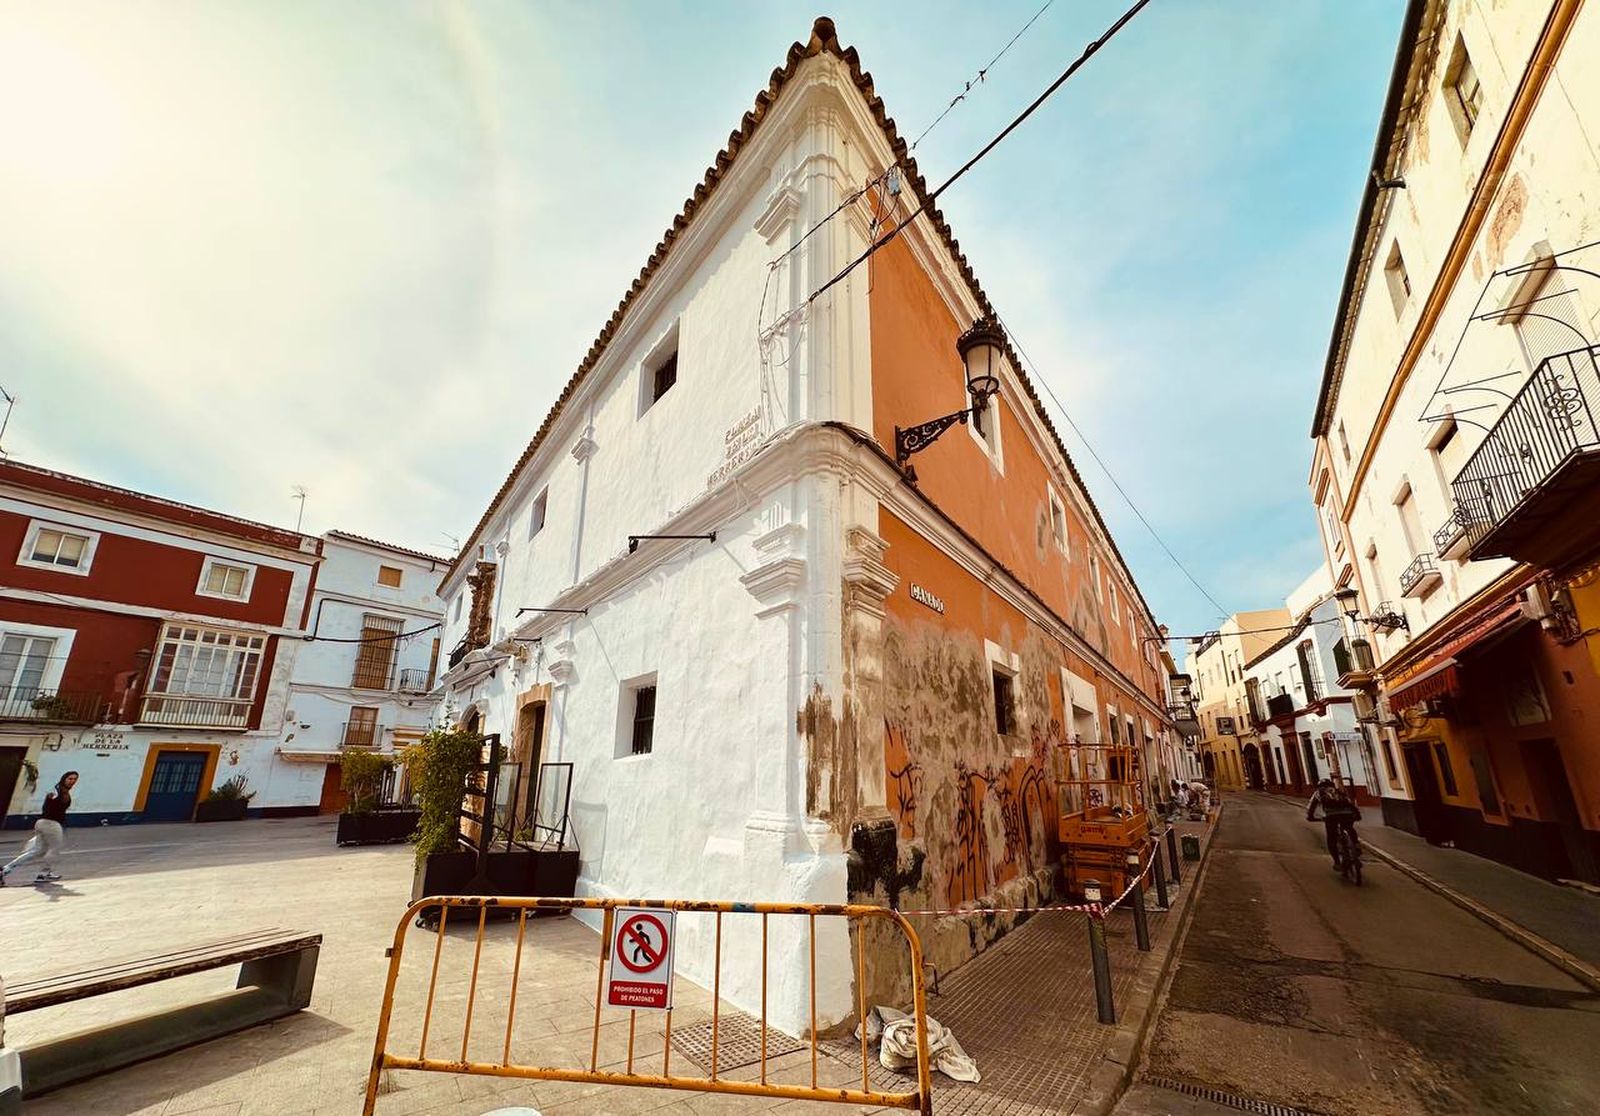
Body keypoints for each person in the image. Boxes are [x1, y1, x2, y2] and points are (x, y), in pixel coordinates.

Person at [1, 771, 78, 886]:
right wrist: (53, 796)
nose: (72, 781)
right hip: (51, 824)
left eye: (74, 779)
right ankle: (43, 873)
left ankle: (6, 869)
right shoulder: (57, 790)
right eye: (70, 778)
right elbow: (52, 796)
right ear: (64, 779)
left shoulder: (63, 790)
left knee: (36, 851)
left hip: (42, 823)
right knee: (54, 849)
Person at [1306, 777, 1361, 868]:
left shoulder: (1318, 792)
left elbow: (1311, 807)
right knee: (1349, 828)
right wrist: (1356, 815)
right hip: (1348, 813)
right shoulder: (1339, 791)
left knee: (1331, 838)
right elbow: (1350, 802)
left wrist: (1310, 817)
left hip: (1331, 816)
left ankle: (1337, 862)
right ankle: (1356, 844)